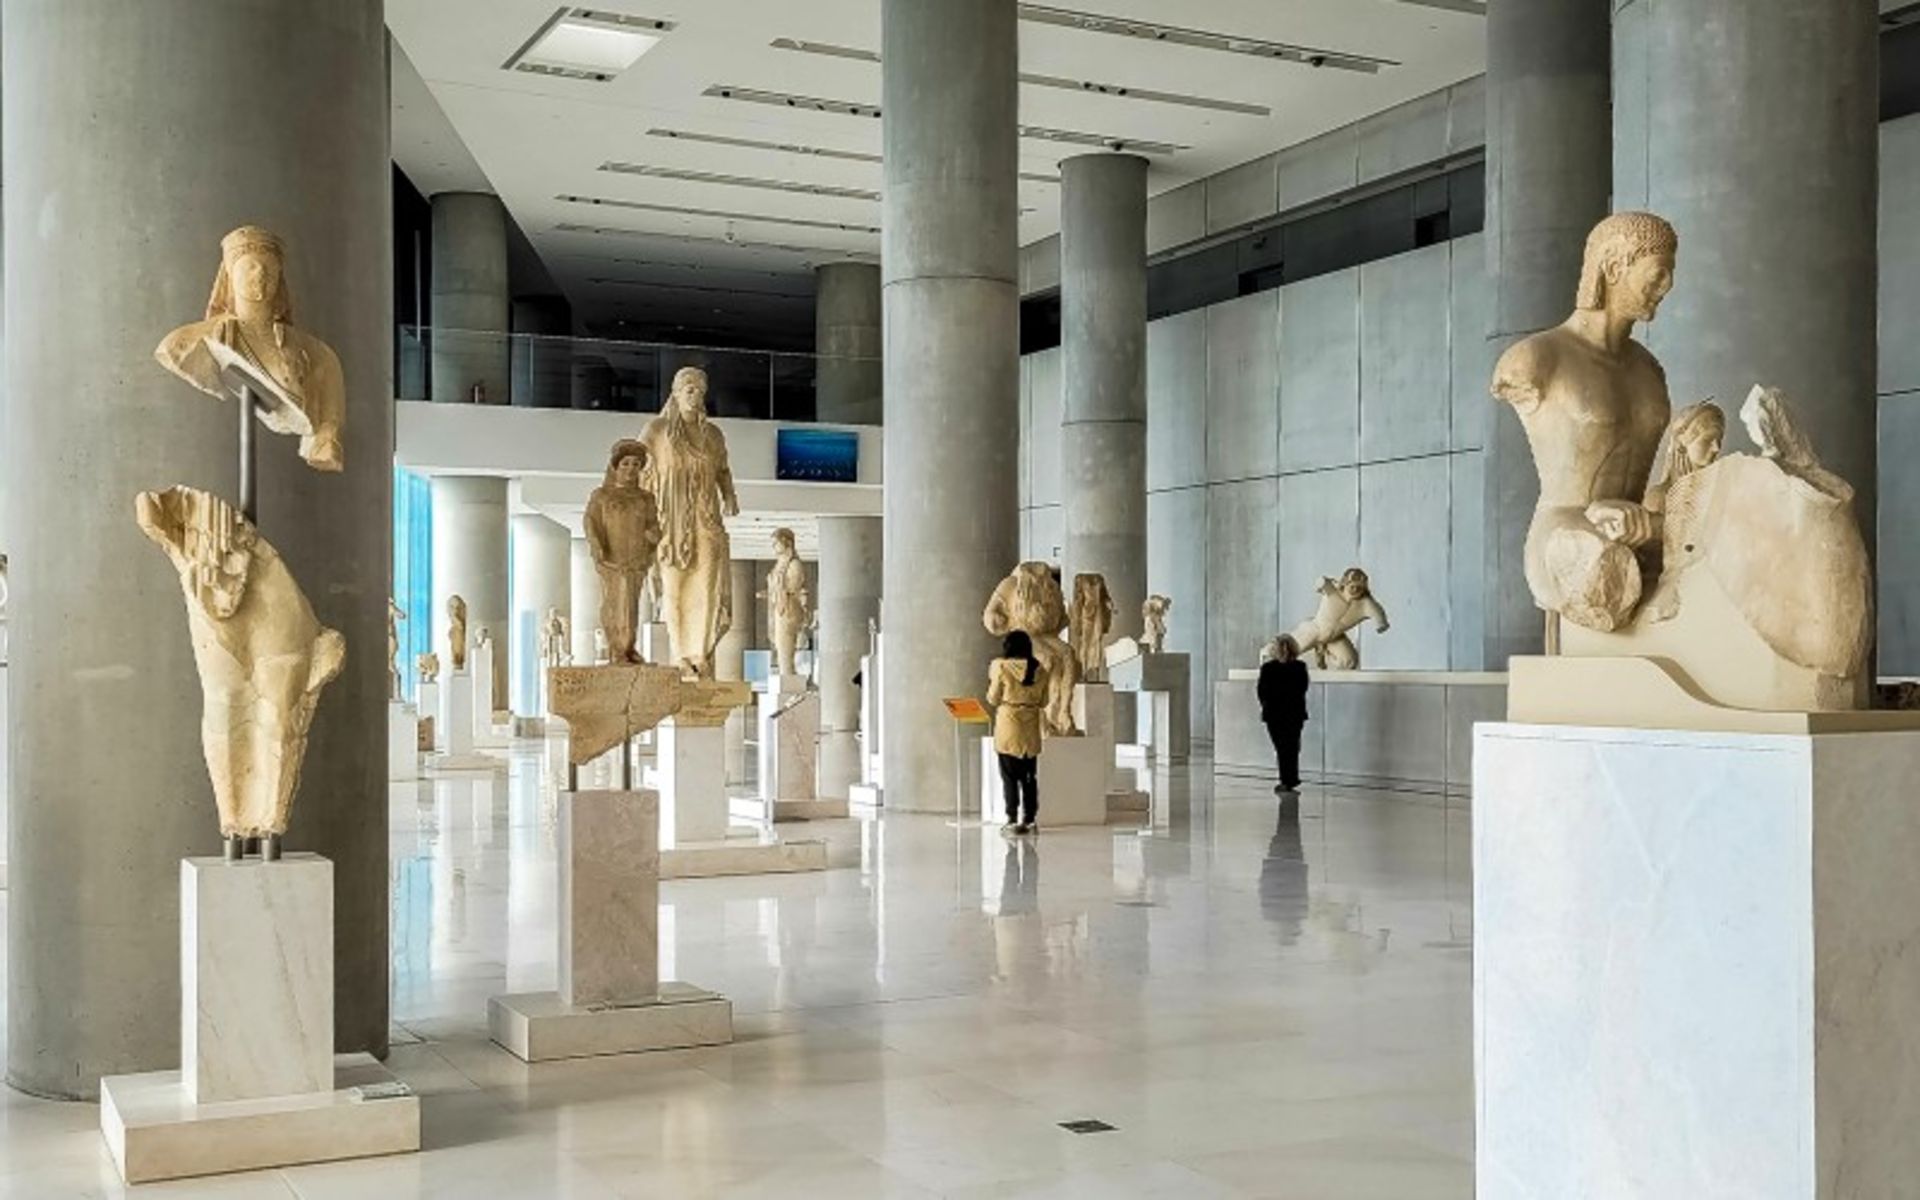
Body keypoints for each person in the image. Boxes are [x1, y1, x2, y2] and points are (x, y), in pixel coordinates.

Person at [986, 630, 1049, 836]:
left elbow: (992, 698)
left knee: (1009, 776)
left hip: (1008, 725)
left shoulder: (1001, 667)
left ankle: (1012, 819)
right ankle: (1030, 820)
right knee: (1030, 776)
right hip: (1030, 726)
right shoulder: (1040, 670)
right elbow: (1044, 701)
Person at [1257, 634, 1310, 795]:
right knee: (1292, 746)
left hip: (1274, 714)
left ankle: (1286, 780)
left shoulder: (1268, 668)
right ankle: (1290, 779)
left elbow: (1262, 692)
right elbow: (1302, 688)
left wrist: (1268, 704)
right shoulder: (1299, 667)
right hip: (1294, 713)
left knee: (1281, 747)